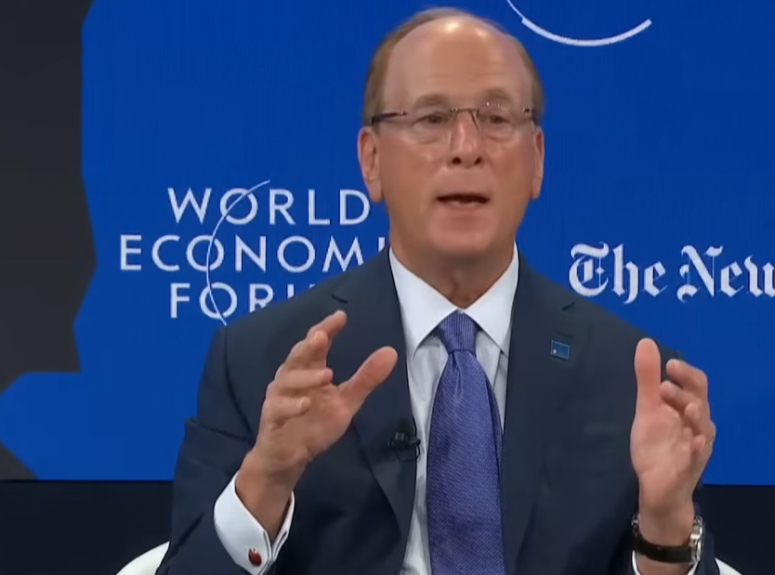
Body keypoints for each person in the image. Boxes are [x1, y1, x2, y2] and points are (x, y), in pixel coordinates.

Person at [156, 7, 720, 575]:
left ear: (537, 160)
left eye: (496, 118)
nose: (466, 147)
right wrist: (267, 479)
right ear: (372, 161)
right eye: (431, 118)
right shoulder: (261, 366)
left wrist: (664, 526)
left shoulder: (631, 381)